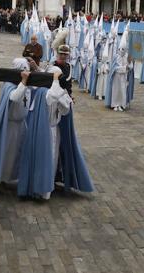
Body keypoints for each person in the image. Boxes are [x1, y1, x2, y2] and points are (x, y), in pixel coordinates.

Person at [17, 67, 93, 200]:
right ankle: (41, 189)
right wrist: (57, 83)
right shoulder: (43, 91)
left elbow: (65, 110)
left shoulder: (51, 91)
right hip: (44, 130)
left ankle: (47, 185)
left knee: (52, 159)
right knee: (44, 158)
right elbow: (52, 97)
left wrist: (65, 95)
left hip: (53, 130)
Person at [0, 58, 31, 186]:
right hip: (10, 126)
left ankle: (14, 176)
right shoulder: (9, 85)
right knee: (8, 154)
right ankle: (3, 178)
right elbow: (15, 97)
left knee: (18, 153)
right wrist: (23, 82)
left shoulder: (25, 85)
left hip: (21, 124)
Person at [105, 27, 133, 112]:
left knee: (122, 90)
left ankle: (121, 104)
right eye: (121, 49)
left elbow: (130, 66)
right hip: (116, 76)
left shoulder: (127, 56)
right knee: (116, 90)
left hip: (124, 76)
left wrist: (129, 65)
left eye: (124, 50)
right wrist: (124, 68)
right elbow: (115, 68)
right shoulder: (116, 57)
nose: (122, 51)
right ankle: (115, 104)